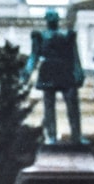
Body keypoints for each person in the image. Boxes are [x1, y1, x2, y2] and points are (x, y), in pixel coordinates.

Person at [23, 9, 85, 143]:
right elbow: (33, 56)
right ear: (46, 20)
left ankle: (77, 135)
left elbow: (74, 56)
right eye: (49, 17)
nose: (52, 19)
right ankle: (51, 136)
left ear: (57, 19)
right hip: (48, 70)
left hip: (65, 70)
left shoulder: (67, 35)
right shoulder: (40, 36)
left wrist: (79, 72)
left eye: (54, 17)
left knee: (72, 103)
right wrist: (27, 72)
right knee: (49, 105)